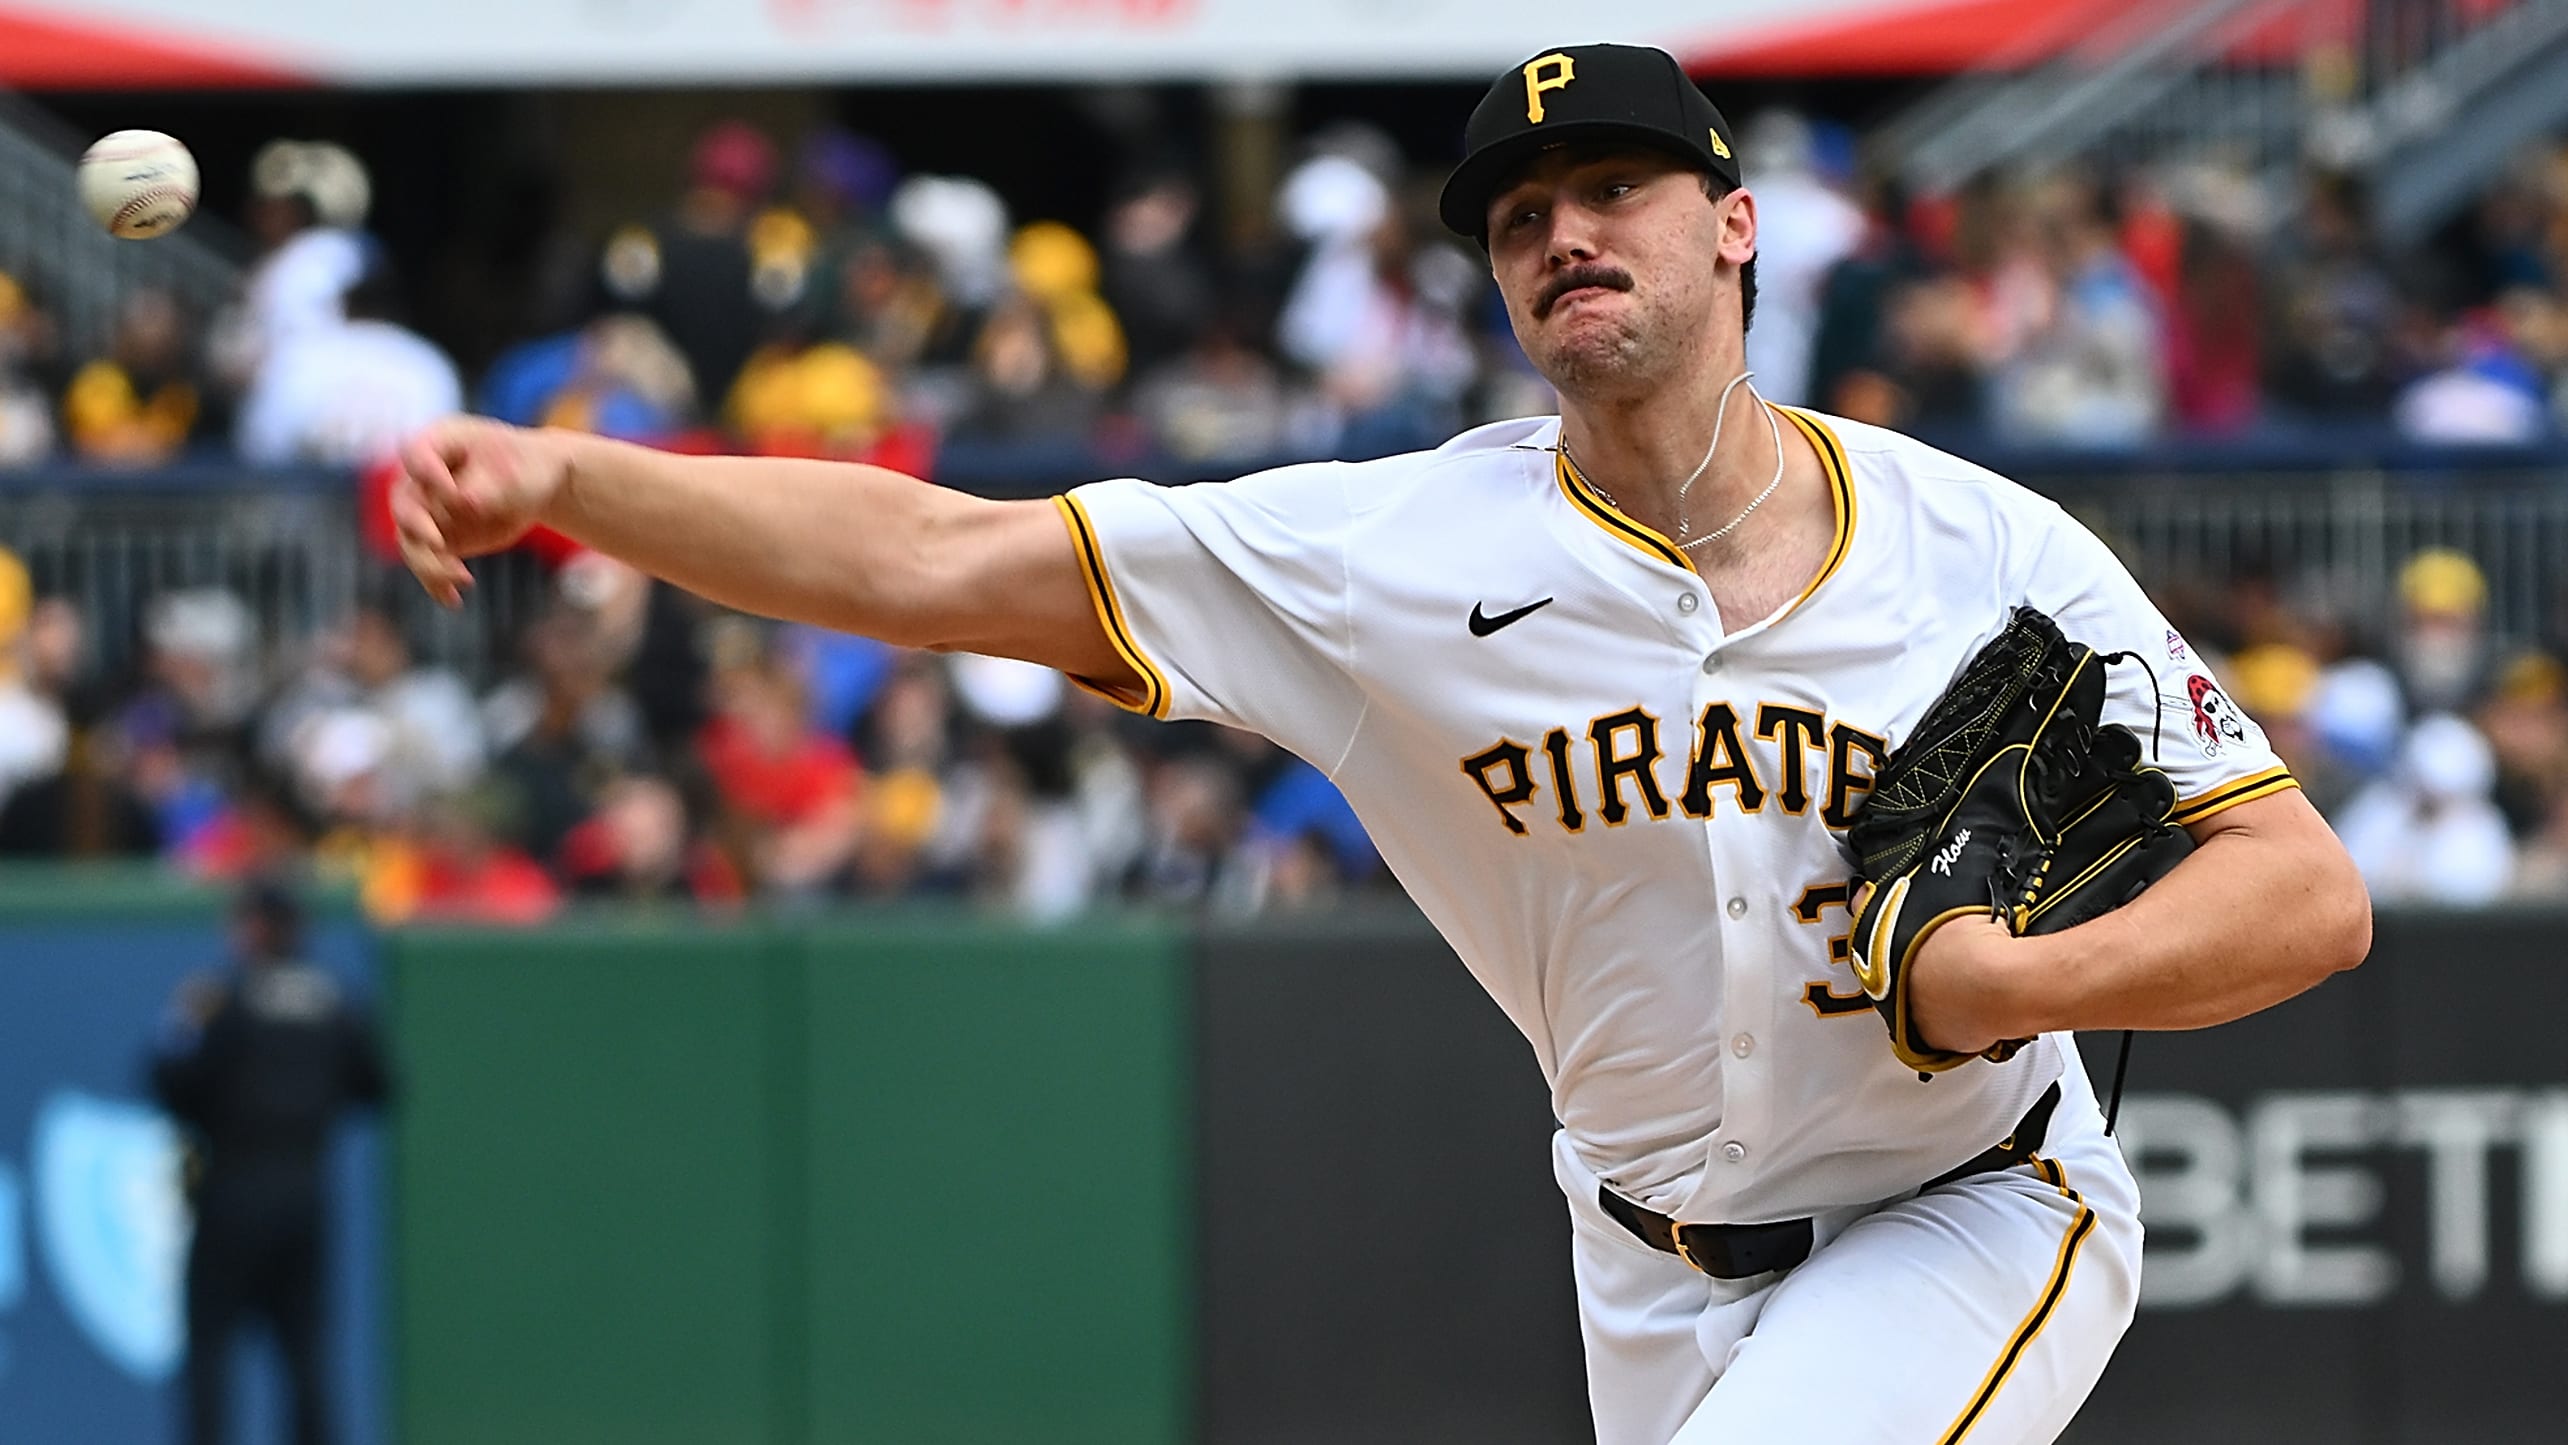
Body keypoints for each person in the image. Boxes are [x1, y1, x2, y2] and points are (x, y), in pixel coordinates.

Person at [388, 43, 2370, 1445]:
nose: (1564, 230)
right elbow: (933, 551)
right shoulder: (1394, 554)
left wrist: (2026, 976)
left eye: (1614, 187)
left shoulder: (1983, 548)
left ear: (1738, 225)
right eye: (1521, 214)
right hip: (1647, 1251)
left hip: (1966, 1196)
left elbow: (2303, 887)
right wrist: (572, 473)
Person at [150, 881, 391, 1445]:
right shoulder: (335, 999)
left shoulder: (223, 1000)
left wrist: (180, 1026)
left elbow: (172, 1080)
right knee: (305, 1347)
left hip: (233, 1187)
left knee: (210, 1345)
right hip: (304, 1191)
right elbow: (377, 1086)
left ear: (255, 929)